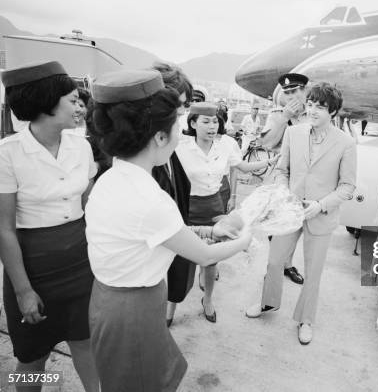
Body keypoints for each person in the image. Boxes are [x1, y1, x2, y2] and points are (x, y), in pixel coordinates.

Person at [85, 70, 251, 392]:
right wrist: (244, 239)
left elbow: (150, 234)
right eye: (177, 123)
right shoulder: (150, 198)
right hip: (134, 310)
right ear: (160, 137)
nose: (180, 132)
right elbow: (203, 256)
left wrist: (205, 230)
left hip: (110, 301)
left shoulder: (112, 178)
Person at [0, 61, 100, 392]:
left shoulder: (81, 146)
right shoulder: (8, 154)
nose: (80, 106)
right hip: (33, 268)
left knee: (86, 344)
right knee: (32, 356)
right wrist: (23, 291)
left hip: (80, 263)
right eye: (72, 100)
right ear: (46, 103)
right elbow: (4, 229)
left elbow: (87, 207)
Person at [246, 82, 357, 345]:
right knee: (274, 261)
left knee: (313, 271)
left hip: (321, 215)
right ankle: (268, 303)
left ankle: (306, 319)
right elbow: (282, 170)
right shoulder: (293, 134)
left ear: (333, 112)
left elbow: (348, 187)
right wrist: (285, 194)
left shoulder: (346, 143)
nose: (313, 110)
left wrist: (320, 205)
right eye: (310, 105)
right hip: (290, 210)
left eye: (320, 107)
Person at [176, 102, 278, 323]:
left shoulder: (225, 145)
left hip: (213, 206)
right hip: (187, 207)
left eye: (215, 121)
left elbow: (241, 166)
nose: (212, 126)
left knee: (211, 260)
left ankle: (208, 300)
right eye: (206, 121)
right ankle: (171, 306)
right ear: (193, 123)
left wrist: (270, 161)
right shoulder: (181, 146)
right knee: (182, 260)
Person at [149, 62, 195, 327]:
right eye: (180, 102)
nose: (182, 110)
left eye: (185, 104)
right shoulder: (145, 150)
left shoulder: (169, 144)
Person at [259, 72, 311, 285]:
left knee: (295, 226)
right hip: (279, 179)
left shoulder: (314, 114)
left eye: (295, 91)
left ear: (305, 91)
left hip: (303, 181)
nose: (290, 96)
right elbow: (267, 144)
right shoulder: (277, 115)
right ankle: (276, 265)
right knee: (275, 228)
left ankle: (285, 264)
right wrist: (284, 119)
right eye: (287, 92)